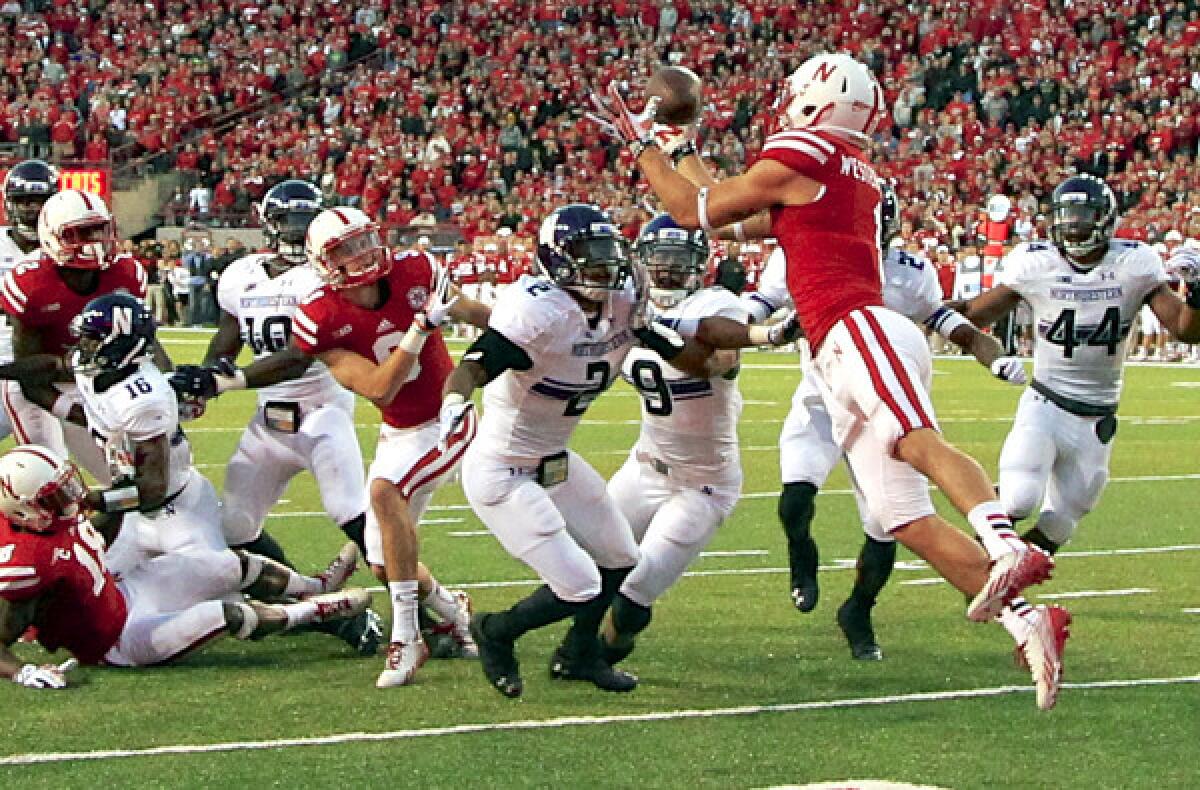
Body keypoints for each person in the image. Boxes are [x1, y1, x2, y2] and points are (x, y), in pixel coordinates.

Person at [591, 52, 1065, 708]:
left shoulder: (804, 152)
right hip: (840, 345)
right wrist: (683, 145)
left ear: (819, 101)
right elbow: (728, 209)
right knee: (902, 516)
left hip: (858, 325)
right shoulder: (836, 168)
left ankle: (1005, 543)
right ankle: (1027, 620)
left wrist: (644, 149)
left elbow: (690, 209)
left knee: (913, 439)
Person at [439, 204, 716, 699]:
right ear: (556, 260)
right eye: (589, 255)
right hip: (503, 469)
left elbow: (693, 361)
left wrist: (692, 342)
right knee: (580, 584)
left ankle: (579, 655)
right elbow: (476, 365)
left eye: (607, 253)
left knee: (619, 558)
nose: (603, 266)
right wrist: (456, 401)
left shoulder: (623, 302)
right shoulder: (539, 311)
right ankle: (496, 631)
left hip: (555, 460)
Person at [746, 186, 1029, 661]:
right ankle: (803, 559)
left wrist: (988, 353)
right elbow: (755, 305)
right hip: (820, 399)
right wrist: (749, 327)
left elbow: (948, 321)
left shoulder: (909, 271)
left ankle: (859, 608)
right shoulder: (804, 253)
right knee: (796, 500)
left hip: (874, 403)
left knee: (887, 523)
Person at [292, 206, 492, 688]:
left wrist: (527, 335)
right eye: (346, 250)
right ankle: (450, 609)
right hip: (399, 428)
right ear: (324, 261)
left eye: (364, 242)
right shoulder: (319, 314)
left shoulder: (416, 271)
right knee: (382, 561)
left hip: (448, 416)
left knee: (384, 493)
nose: (361, 256)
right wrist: (421, 328)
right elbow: (380, 388)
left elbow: (481, 316)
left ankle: (407, 636)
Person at [963, 175, 1200, 561]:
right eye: (1067, 215)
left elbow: (1187, 331)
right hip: (1047, 402)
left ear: (1104, 219)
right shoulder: (1036, 263)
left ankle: (1007, 577)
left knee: (1061, 522)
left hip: (1098, 415)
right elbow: (974, 312)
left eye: (1083, 215)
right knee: (1019, 498)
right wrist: (931, 314)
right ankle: (968, 564)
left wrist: (1199, 291)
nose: (1073, 224)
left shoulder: (1134, 264)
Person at [0, 445, 372, 686]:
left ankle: (316, 585)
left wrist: (121, 497)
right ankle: (316, 610)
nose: (70, 500)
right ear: (21, 508)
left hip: (124, 590)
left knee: (228, 565)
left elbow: (92, 534)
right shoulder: (25, 563)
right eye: (56, 497)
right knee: (229, 614)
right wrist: (24, 671)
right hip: (119, 641)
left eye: (67, 487)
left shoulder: (47, 520)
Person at [599, 213, 748, 667]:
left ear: (699, 265)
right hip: (644, 466)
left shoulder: (717, 305)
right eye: (657, 260)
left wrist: (656, 333)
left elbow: (719, 361)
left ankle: (599, 655)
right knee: (585, 565)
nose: (665, 270)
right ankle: (583, 645)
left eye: (677, 261)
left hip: (702, 484)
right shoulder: (623, 303)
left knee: (635, 590)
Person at [0, 189, 148, 485]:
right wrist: (78, 412)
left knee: (122, 482)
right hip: (39, 384)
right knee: (49, 478)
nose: (95, 243)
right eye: (81, 233)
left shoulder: (126, 272)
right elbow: (30, 378)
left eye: (99, 230)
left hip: (93, 382)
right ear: (54, 237)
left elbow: (145, 344)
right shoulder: (30, 282)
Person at [0, 160, 59, 445]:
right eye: (24, 200)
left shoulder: (68, 249)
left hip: (50, 370)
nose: (32, 209)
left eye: (40, 200)